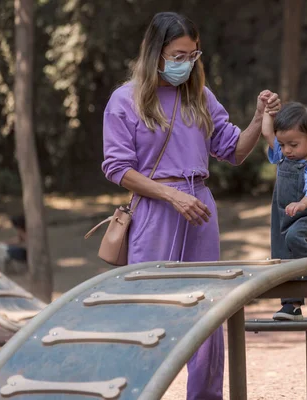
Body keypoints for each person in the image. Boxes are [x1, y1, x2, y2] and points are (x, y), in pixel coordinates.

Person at [101, 12, 281, 400]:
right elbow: (117, 169)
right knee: (149, 309)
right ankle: (137, 392)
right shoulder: (124, 100)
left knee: (207, 313)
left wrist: (257, 119)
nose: (187, 62)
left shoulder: (198, 95)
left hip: (200, 209)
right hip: (154, 212)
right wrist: (171, 195)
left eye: (193, 55)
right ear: (155, 53)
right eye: (178, 54)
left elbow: (233, 149)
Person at [261, 102, 307, 321]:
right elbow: (266, 132)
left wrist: (302, 204)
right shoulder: (283, 156)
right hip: (284, 217)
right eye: (282, 144)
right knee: (283, 259)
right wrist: (266, 112)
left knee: (296, 238)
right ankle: (291, 306)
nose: (287, 150)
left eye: (293, 144)